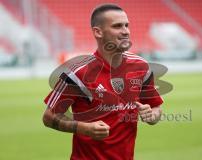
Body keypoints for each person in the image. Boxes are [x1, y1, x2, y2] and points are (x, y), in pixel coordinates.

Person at [42, 3, 163, 160]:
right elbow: (49, 117)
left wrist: (152, 116)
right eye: (117, 26)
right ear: (98, 32)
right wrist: (83, 128)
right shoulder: (78, 72)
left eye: (127, 25)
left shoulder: (141, 67)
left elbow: (156, 108)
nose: (126, 31)